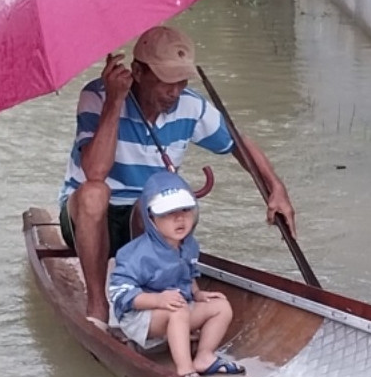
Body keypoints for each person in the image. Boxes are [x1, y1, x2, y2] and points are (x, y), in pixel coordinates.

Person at [60, 23, 296, 322]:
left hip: (146, 217)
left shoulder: (190, 105)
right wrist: (115, 102)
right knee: (95, 193)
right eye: (165, 82)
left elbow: (238, 143)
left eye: (181, 81)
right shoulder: (97, 95)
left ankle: (150, 309)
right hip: (88, 219)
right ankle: (97, 305)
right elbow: (95, 171)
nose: (174, 92)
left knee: (156, 200)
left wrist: (276, 188)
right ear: (138, 72)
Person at [106, 170, 242, 377]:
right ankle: (185, 369)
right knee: (177, 310)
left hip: (178, 307)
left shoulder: (189, 246)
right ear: (151, 218)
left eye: (185, 210)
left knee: (221, 306)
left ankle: (204, 357)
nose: (179, 219)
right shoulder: (136, 254)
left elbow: (189, 273)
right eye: (168, 213)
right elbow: (120, 294)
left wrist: (197, 294)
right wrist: (158, 300)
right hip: (143, 317)